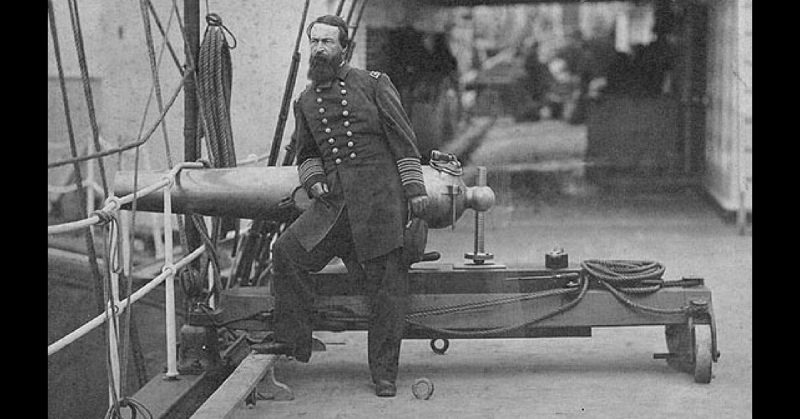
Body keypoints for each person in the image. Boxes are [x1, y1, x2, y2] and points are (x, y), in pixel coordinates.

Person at [252, 15, 430, 398]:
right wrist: (313, 177)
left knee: (387, 289)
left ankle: (384, 374)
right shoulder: (307, 101)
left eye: (327, 42)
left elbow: (404, 139)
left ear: (344, 48)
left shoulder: (374, 85)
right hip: (334, 206)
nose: (319, 49)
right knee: (287, 252)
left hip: (380, 202)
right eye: (314, 41)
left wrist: (414, 190)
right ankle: (293, 341)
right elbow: (306, 153)